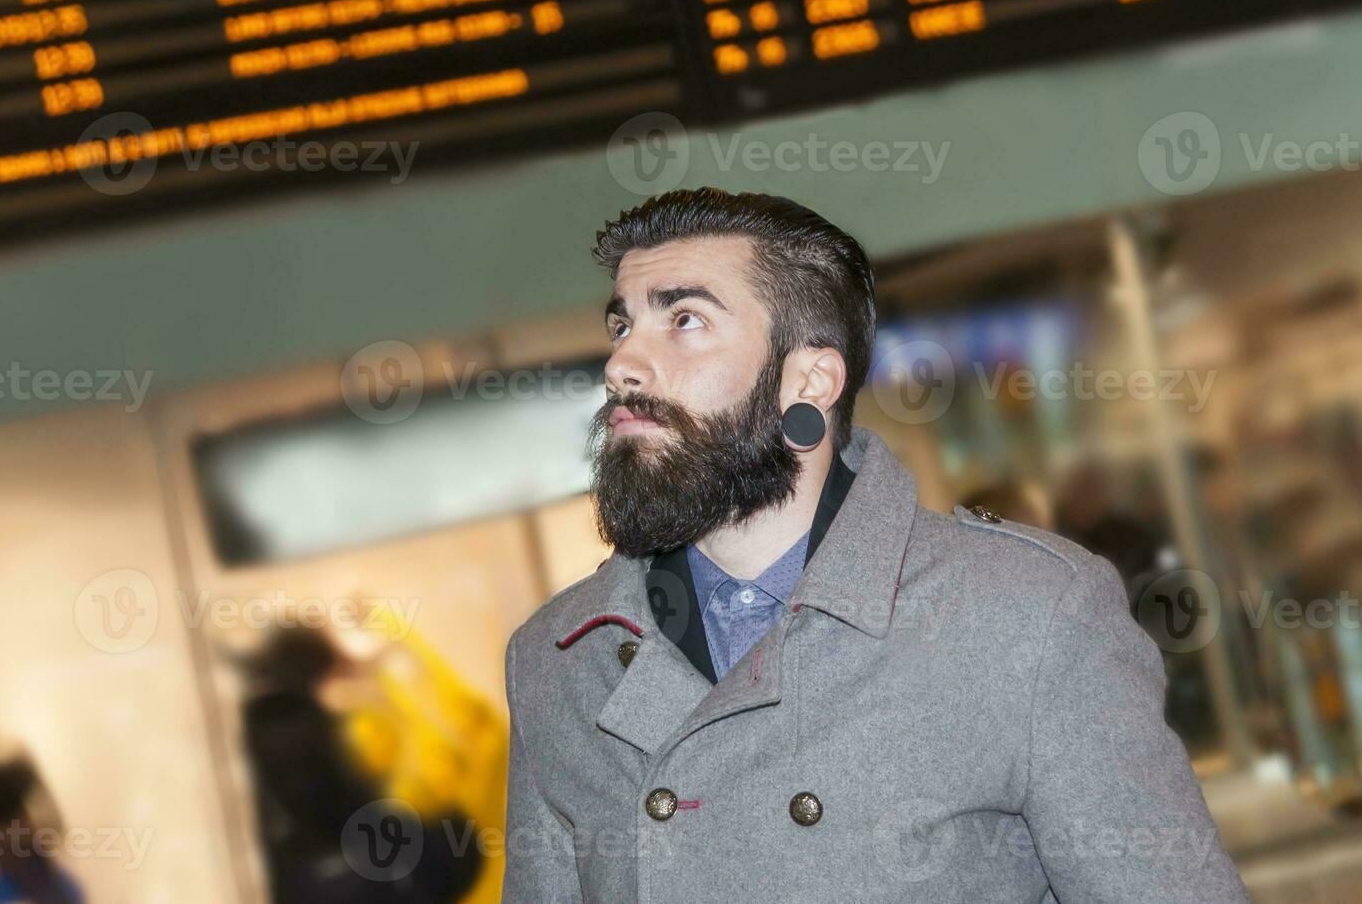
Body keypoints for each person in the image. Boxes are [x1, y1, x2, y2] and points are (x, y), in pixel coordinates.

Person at [500, 188, 1248, 903]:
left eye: (685, 321)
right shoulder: (558, 662)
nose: (622, 364)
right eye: (622, 326)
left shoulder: (1027, 619)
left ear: (811, 380)